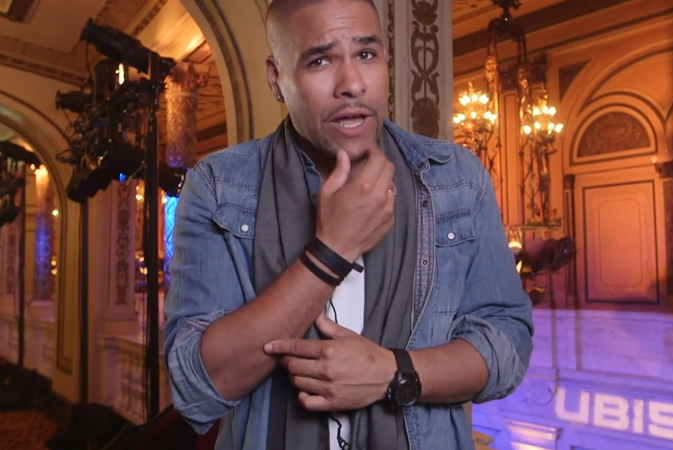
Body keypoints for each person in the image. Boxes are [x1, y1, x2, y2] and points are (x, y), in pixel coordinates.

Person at [163, 0, 534, 448]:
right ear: (276, 79)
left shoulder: (456, 178)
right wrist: (330, 251)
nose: (352, 84)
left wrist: (392, 373)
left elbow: (509, 346)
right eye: (320, 61)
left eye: (366, 54)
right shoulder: (219, 187)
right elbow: (197, 388)